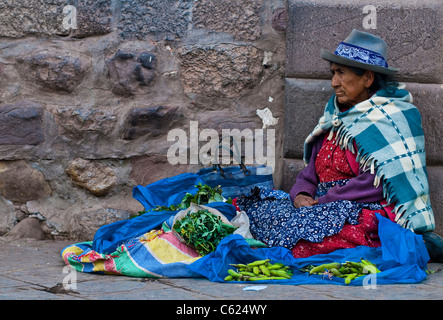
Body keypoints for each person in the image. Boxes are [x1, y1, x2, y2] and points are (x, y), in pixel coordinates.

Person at [237, 29, 443, 261]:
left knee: (302, 239)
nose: (334, 83)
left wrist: (325, 202)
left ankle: (420, 245)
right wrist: (301, 194)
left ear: (368, 78)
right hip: (322, 207)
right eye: (333, 73)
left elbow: (377, 182)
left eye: (341, 73)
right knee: (258, 210)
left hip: (363, 208)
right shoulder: (336, 117)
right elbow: (310, 171)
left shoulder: (394, 116)